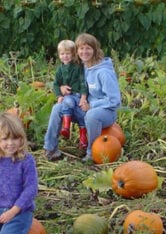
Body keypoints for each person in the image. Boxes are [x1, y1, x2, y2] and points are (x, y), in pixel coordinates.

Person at [44, 33, 121, 162]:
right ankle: (51, 149)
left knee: (92, 115)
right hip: (83, 108)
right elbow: (73, 84)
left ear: (95, 50)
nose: (84, 52)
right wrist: (62, 88)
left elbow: (114, 100)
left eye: (88, 48)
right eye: (81, 48)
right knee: (58, 108)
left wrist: (91, 106)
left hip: (105, 112)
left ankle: (92, 153)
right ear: (77, 51)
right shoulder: (83, 66)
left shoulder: (104, 73)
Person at [44, 40, 89, 161]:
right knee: (57, 107)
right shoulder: (61, 69)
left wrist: (84, 98)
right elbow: (56, 84)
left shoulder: (82, 67)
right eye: (62, 54)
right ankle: (51, 148)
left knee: (69, 104)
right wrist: (59, 92)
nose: (65, 56)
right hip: (70, 101)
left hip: (84, 105)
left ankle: (87, 148)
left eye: (68, 53)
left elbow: (83, 84)